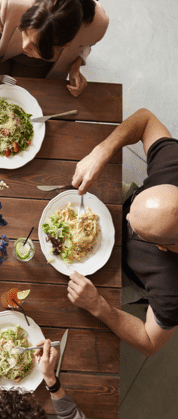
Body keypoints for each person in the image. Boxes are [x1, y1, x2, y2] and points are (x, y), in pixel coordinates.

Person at [68, 108, 178, 356]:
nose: (125, 216)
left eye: (133, 226)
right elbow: (146, 119)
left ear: (162, 246)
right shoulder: (174, 167)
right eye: (132, 212)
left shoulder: (172, 291)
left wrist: (98, 306)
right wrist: (101, 152)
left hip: (124, 272)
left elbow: (150, 341)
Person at [0, 0, 109, 97]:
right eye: (25, 32)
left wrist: (75, 67)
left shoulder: (97, 25)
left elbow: (85, 45)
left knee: (35, 98)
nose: (24, 46)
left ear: (65, 44)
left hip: (43, 66)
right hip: (0, 49)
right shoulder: (11, 3)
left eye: (35, 46)